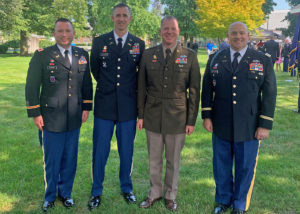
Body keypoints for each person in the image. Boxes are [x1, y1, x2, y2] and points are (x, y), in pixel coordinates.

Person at [201, 22, 276, 214]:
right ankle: (223, 200)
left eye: (242, 33)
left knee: (245, 167)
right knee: (221, 165)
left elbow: (269, 93)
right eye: (234, 33)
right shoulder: (215, 58)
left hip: (249, 125)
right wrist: (207, 116)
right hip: (221, 122)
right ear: (228, 36)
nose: (238, 37)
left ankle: (240, 204)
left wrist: (265, 124)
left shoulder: (262, 60)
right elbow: (207, 89)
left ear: (248, 36)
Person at [25, 18, 93, 212]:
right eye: (60, 31)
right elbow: (31, 87)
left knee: (70, 159)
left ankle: (66, 194)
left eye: (68, 31)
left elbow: (86, 82)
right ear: (54, 33)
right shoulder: (43, 55)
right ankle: (50, 196)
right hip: (50, 116)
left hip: (73, 116)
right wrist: (35, 113)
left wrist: (86, 106)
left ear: (73, 33)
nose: (65, 35)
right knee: (52, 160)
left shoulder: (81, 54)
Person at [137, 16, 200, 211]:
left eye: (172, 28)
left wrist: (191, 120)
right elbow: (140, 87)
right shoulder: (148, 55)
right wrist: (140, 115)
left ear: (178, 31)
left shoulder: (189, 56)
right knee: (154, 159)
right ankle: (154, 192)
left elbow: (194, 91)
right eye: (166, 28)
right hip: (153, 115)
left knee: (173, 160)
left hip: (177, 117)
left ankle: (170, 194)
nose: (169, 32)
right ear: (161, 30)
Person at [88, 3, 145, 210]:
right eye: (117, 15)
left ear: (130, 19)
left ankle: (127, 188)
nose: (121, 19)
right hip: (104, 105)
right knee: (100, 151)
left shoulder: (138, 44)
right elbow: (95, 69)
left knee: (127, 151)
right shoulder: (100, 41)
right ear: (112, 18)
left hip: (128, 108)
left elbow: (141, 76)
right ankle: (96, 191)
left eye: (124, 15)